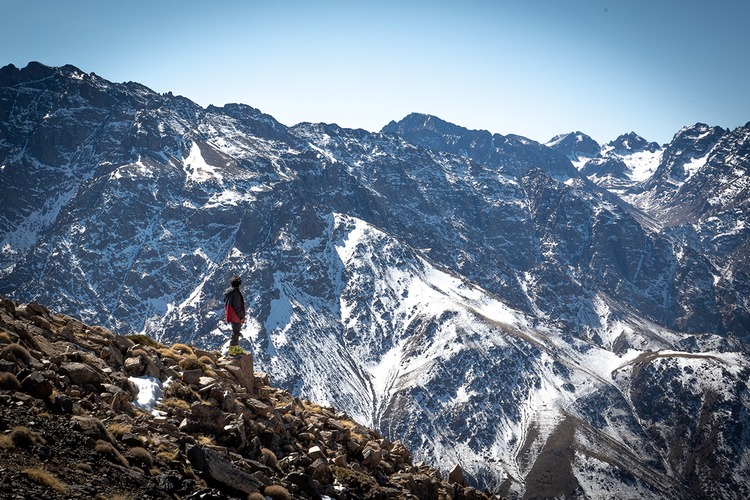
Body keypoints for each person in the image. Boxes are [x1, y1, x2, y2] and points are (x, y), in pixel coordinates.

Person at [224, 275, 246, 355]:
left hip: (230, 313)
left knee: (235, 331)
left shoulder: (229, 292)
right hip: (235, 315)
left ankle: (235, 348)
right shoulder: (236, 293)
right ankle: (233, 349)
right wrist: (241, 317)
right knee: (236, 332)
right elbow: (237, 307)